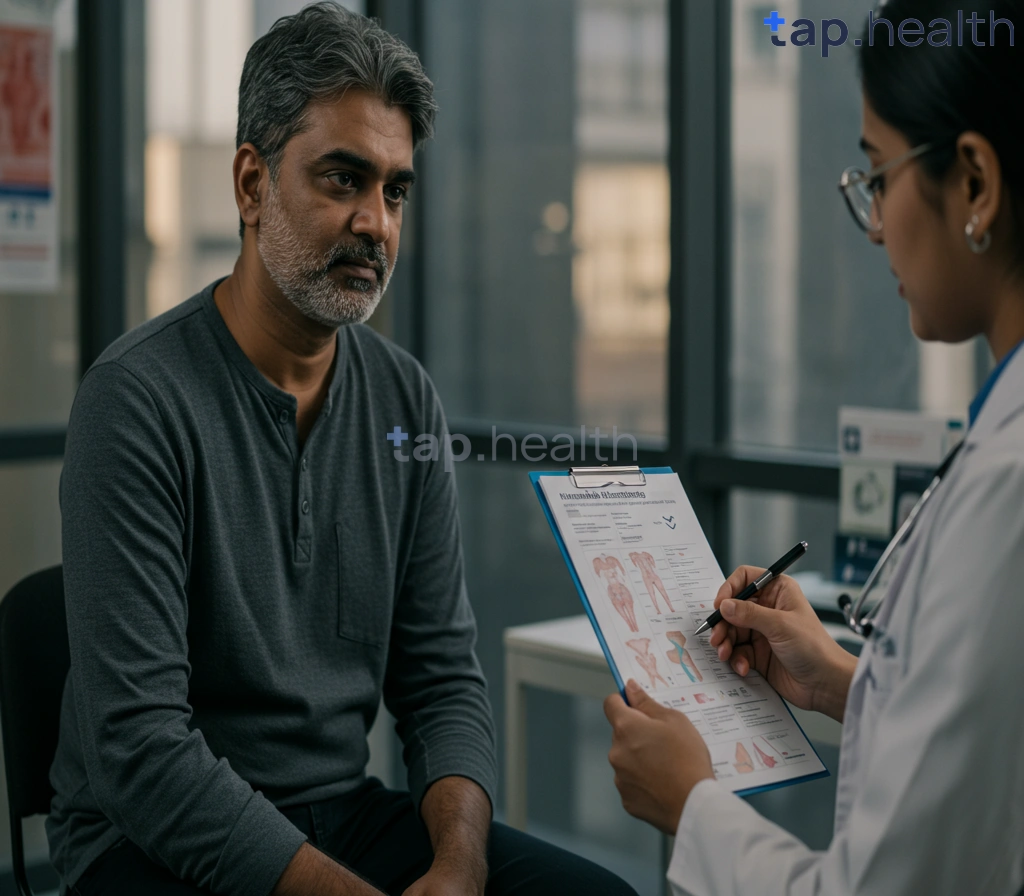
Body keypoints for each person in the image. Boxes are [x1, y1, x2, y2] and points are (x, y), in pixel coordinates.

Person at [47, 5, 637, 896]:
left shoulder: (404, 400)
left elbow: (441, 683)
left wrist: (458, 869)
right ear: (251, 185)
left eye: (395, 190)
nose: (377, 222)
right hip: (149, 841)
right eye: (342, 179)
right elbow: (143, 753)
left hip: (345, 813)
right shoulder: (134, 402)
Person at [603, 0, 1024, 893]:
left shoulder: (1009, 486)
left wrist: (691, 805)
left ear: (976, 185)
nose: (874, 226)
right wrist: (837, 679)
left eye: (879, 175)